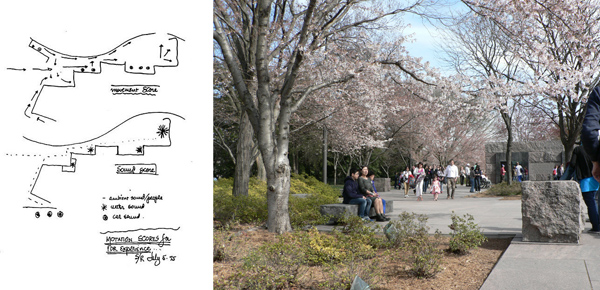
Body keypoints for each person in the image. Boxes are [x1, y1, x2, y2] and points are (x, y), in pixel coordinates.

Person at [560, 145, 600, 233]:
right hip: (597, 178)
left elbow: (572, 164)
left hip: (586, 180)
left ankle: (596, 226)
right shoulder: (595, 148)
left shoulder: (578, 149)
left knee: (591, 204)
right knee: (596, 201)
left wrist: (563, 179)